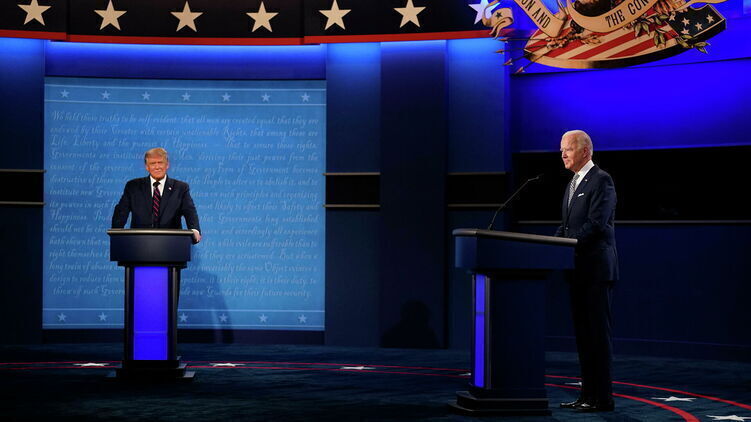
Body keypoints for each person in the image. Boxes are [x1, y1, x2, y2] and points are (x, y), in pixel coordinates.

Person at [555, 130, 618, 412]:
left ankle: (602, 398)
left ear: (585, 151)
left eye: (568, 149)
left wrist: (566, 243)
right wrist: (549, 245)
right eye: (561, 150)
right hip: (576, 271)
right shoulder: (572, 183)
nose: (563, 154)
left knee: (597, 336)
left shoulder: (602, 180)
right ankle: (586, 395)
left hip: (596, 271)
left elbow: (596, 224)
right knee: (583, 337)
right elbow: (566, 226)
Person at [112, 147, 201, 244]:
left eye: (160, 162)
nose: (157, 167)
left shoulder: (180, 188)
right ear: (147, 167)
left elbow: (190, 212)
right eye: (153, 163)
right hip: (139, 245)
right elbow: (122, 212)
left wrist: (194, 230)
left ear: (167, 165)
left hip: (172, 245)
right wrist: (116, 234)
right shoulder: (133, 186)